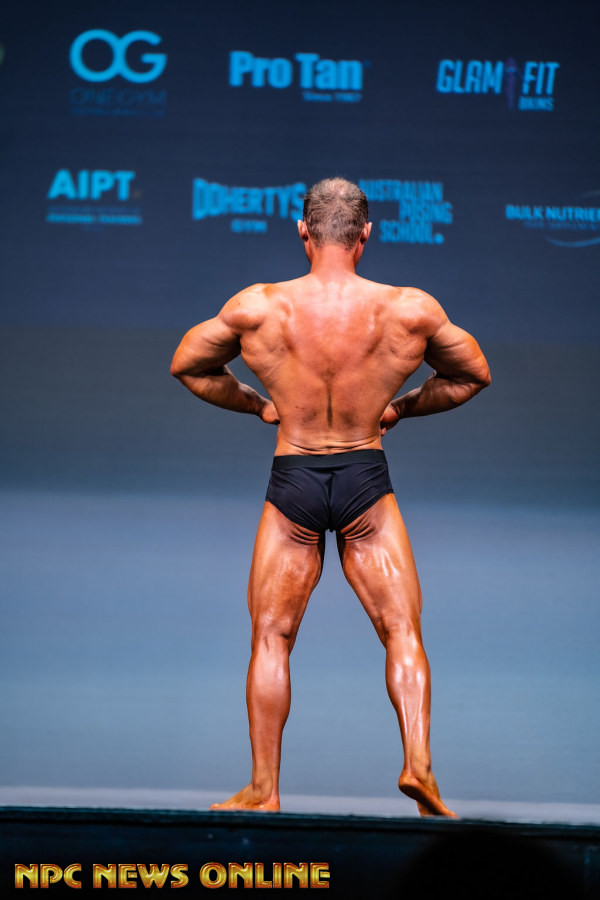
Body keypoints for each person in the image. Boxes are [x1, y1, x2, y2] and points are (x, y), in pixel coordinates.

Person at [171, 177, 490, 817]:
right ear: (366, 235)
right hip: (365, 479)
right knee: (402, 630)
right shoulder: (408, 310)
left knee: (271, 637)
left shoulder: (259, 307)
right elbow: (472, 375)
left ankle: (263, 789)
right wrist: (400, 408)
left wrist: (257, 405)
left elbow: (188, 364)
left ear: (303, 232)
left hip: (293, 479)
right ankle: (419, 765)